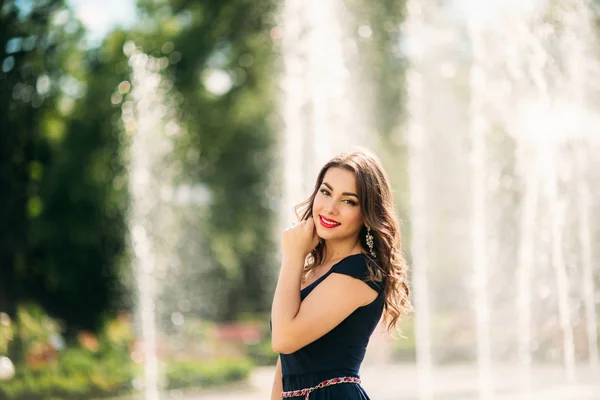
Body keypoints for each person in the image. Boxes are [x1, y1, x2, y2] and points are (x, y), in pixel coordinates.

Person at [270, 148, 413, 399]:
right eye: (325, 192)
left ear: (368, 213)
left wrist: (292, 256)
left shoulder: (359, 272)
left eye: (348, 201)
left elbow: (284, 339)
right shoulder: (313, 269)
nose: (330, 208)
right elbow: (285, 363)